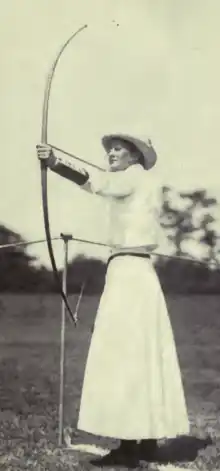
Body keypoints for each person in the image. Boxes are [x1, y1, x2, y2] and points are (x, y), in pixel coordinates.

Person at [36, 134, 190, 465]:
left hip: (130, 274)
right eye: (110, 149)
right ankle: (143, 442)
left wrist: (55, 163)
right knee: (139, 354)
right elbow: (104, 184)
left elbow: (98, 183)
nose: (111, 153)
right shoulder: (137, 182)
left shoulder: (132, 178)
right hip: (132, 271)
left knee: (126, 353)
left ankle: (132, 446)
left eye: (119, 148)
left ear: (135, 155)